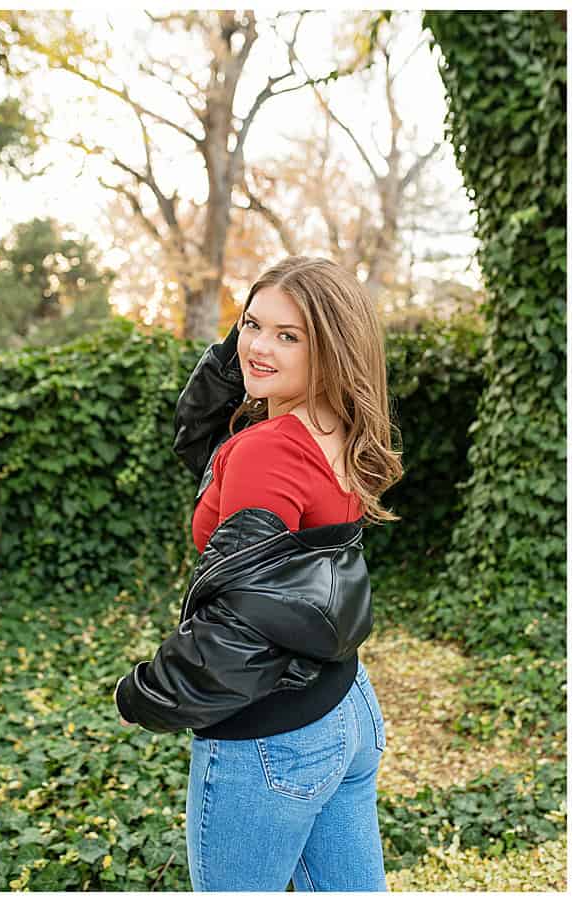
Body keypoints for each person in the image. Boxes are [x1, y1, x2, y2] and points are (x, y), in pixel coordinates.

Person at [114, 256, 403, 891]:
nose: (258, 347)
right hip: (345, 706)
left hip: (273, 737)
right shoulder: (341, 424)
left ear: (330, 348)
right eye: (251, 325)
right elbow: (209, 455)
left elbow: (241, 629)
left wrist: (147, 692)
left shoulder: (266, 449)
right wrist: (248, 356)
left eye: (288, 335)